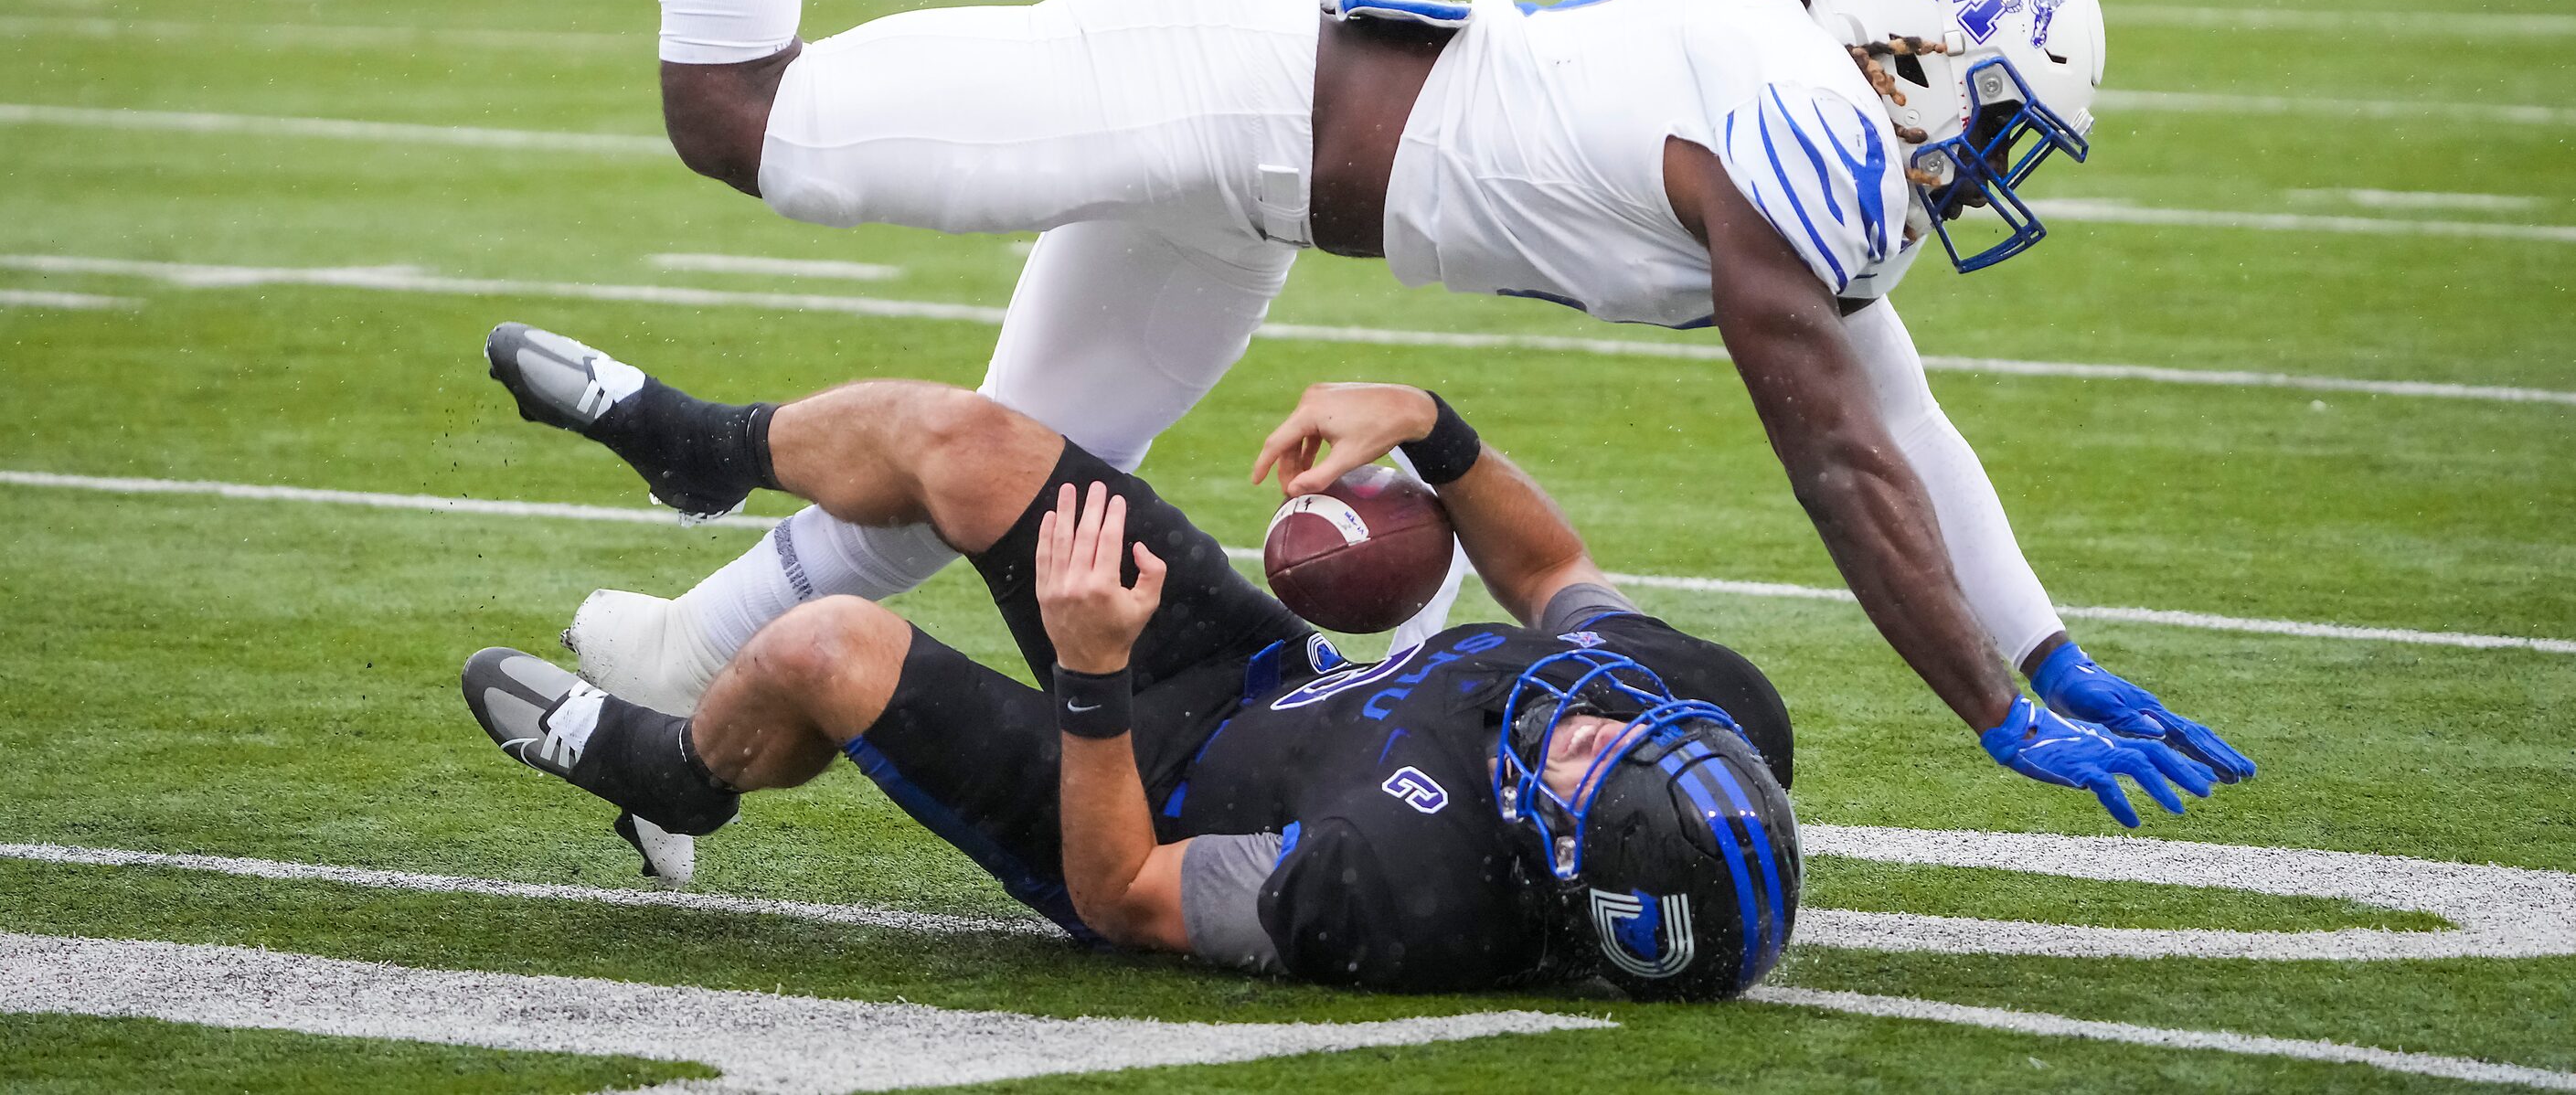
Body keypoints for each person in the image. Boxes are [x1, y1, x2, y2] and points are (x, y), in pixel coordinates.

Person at [474, 0, 2254, 874]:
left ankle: (675, 681)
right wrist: (1986, 700)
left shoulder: (1796, 95)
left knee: (1008, 465)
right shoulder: (1803, 121)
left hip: (1252, 193)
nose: (1980, 170)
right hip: (1212, 89)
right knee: (737, 119)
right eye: (1991, 123)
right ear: (1911, 58)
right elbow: (1838, 456)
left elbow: (1896, 413)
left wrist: (2042, 639)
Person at [467, 338, 1842, 992]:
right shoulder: (1701, 717)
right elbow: (1552, 576)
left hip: (1132, 789)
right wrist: (1433, 425)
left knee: (827, 648)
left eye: (1590, 763)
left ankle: (678, 774)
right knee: (972, 438)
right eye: (1626, 727)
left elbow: (1124, 894)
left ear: (1556, 857)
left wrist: (1088, 673)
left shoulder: (1405, 895)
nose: (1586, 716)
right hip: (1255, 669)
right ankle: (703, 443)